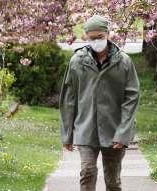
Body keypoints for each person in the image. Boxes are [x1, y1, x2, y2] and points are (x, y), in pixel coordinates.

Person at [60, 15, 140, 191]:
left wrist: (123, 132)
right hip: (85, 128)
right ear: (86, 37)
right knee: (87, 172)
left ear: (108, 34)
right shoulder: (77, 62)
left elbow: (131, 98)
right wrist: (67, 134)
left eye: (100, 36)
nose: (97, 40)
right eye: (92, 37)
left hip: (115, 129)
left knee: (112, 180)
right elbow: (69, 100)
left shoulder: (124, 62)